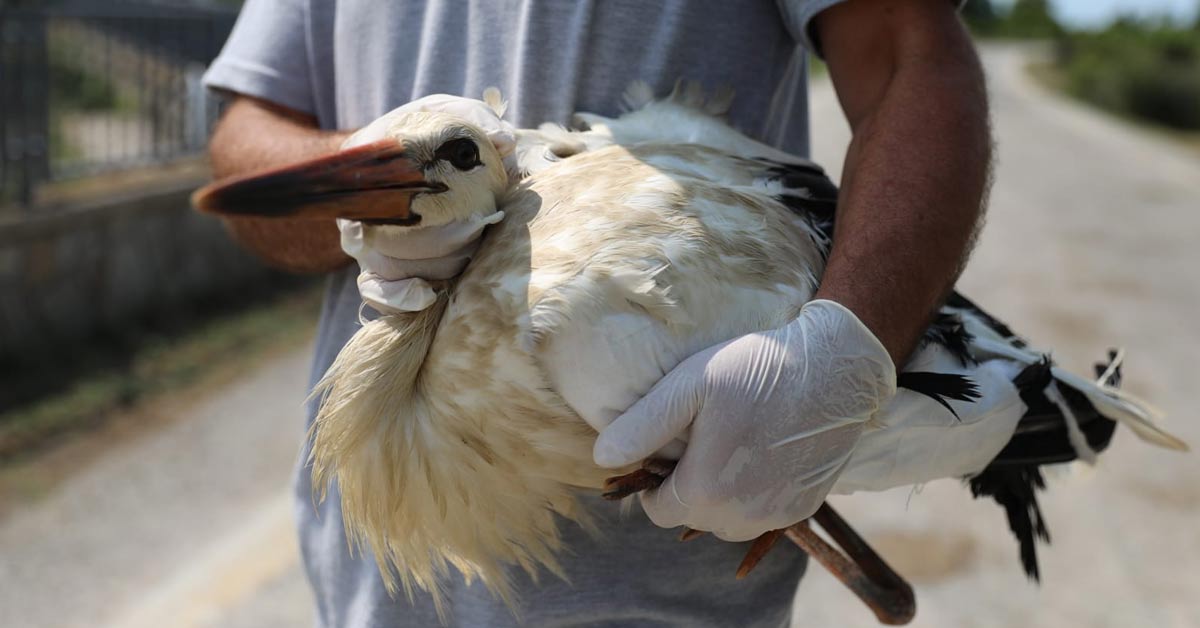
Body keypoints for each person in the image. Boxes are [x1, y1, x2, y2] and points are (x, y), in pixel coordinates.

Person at [203, 0, 990, 626]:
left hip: (657, 600)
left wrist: (844, 352)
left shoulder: (593, 330)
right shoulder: (396, 186)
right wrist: (390, 183)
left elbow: (908, 53)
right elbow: (244, 139)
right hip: (367, 596)